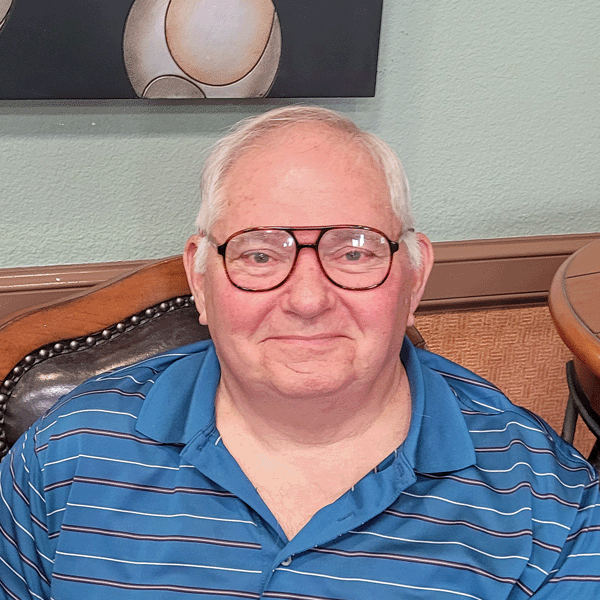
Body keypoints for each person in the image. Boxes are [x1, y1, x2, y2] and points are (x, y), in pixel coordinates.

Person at [1, 106, 599, 599]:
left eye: (354, 251)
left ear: (414, 280)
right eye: (260, 254)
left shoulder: (547, 504)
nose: (308, 299)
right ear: (201, 281)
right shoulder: (67, 453)